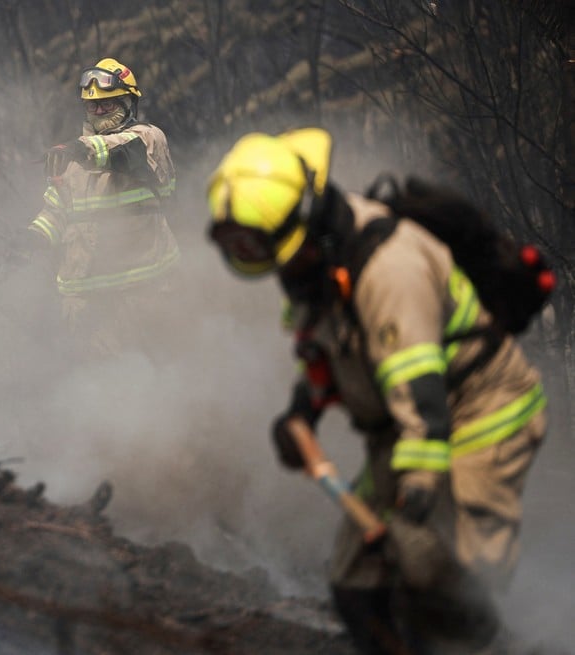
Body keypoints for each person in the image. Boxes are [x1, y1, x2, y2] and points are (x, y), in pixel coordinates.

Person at [205, 127, 546, 653]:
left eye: (262, 247)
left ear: (302, 223)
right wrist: (304, 411)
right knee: (356, 585)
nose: (268, 264)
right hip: (405, 426)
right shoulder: (314, 263)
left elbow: (422, 396)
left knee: (440, 574)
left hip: (481, 413)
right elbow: (325, 352)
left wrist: (412, 508)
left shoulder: (390, 269)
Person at [24, 57, 178, 363]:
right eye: (92, 106)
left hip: (139, 294)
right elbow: (56, 210)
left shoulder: (147, 140)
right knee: (94, 389)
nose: (98, 111)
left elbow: (121, 149)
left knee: (148, 383)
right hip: (85, 302)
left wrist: (81, 150)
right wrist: (33, 237)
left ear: (128, 103)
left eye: (107, 104)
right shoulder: (75, 158)